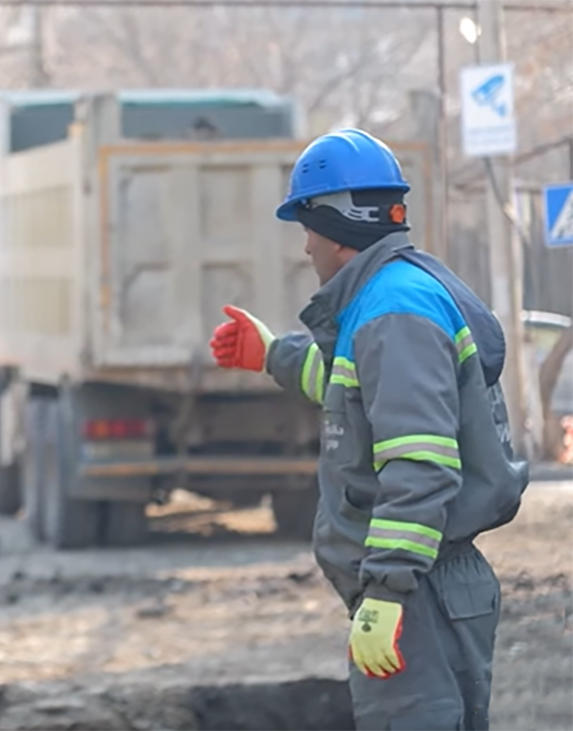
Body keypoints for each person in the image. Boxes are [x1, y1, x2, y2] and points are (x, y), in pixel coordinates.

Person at [208, 128, 528, 730]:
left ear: (336, 226)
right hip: (428, 583)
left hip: (419, 591)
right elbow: (359, 396)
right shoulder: (395, 296)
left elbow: (420, 464)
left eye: (307, 226)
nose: (306, 247)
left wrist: (386, 590)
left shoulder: (393, 314)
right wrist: (273, 354)